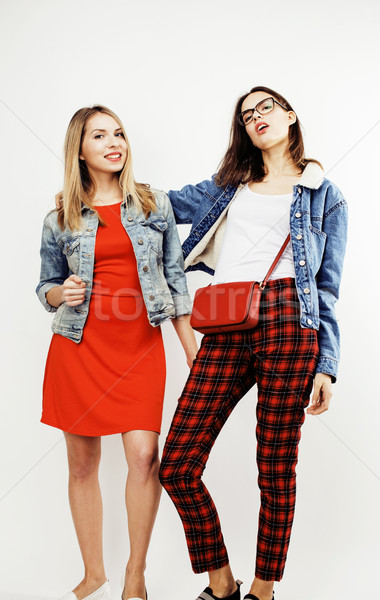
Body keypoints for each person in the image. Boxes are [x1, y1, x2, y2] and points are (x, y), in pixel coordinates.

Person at [159, 86, 348, 600]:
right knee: (177, 463)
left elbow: (327, 287)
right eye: (246, 115)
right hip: (226, 318)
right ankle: (222, 584)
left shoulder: (325, 196)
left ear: (289, 115)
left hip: (292, 320)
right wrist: (97, 191)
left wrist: (326, 365)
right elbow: (157, 203)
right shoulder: (228, 184)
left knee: (275, 464)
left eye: (266, 107)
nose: (256, 117)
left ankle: (263, 591)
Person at [36, 105, 197, 600]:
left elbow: (175, 281)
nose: (114, 142)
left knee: (145, 457)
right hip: (78, 348)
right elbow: (44, 284)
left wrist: (194, 353)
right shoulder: (60, 216)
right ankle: (94, 572)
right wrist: (60, 293)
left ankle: (135, 573)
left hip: (139, 347)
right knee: (82, 465)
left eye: (119, 133)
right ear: (79, 151)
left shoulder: (154, 205)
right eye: (99, 135)